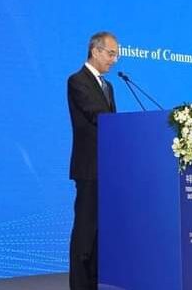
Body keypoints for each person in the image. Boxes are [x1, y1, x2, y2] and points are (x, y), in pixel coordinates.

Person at [67, 31, 118, 290]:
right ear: (95, 51)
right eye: (111, 54)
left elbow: (113, 127)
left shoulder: (109, 87)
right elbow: (96, 115)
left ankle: (95, 282)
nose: (114, 60)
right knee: (85, 231)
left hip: (106, 169)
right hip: (89, 168)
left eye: (116, 55)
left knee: (101, 233)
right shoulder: (77, 80)